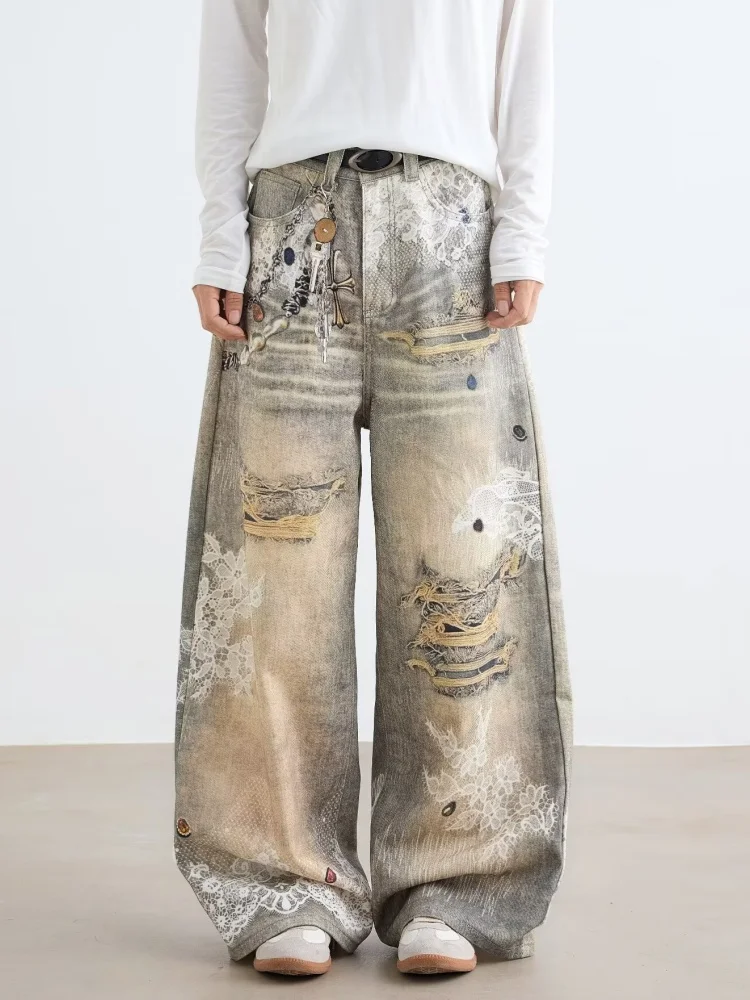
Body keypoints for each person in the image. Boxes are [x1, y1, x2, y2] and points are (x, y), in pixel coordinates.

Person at [176, 0, 571, 978]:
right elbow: (232, 54)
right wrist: (221, 236)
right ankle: (284, 881)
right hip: (290, 229)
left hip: (452, 236)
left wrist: (523, 232)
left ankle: (459, 881)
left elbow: (527, 52)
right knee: (273, 590)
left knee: (466, 576)